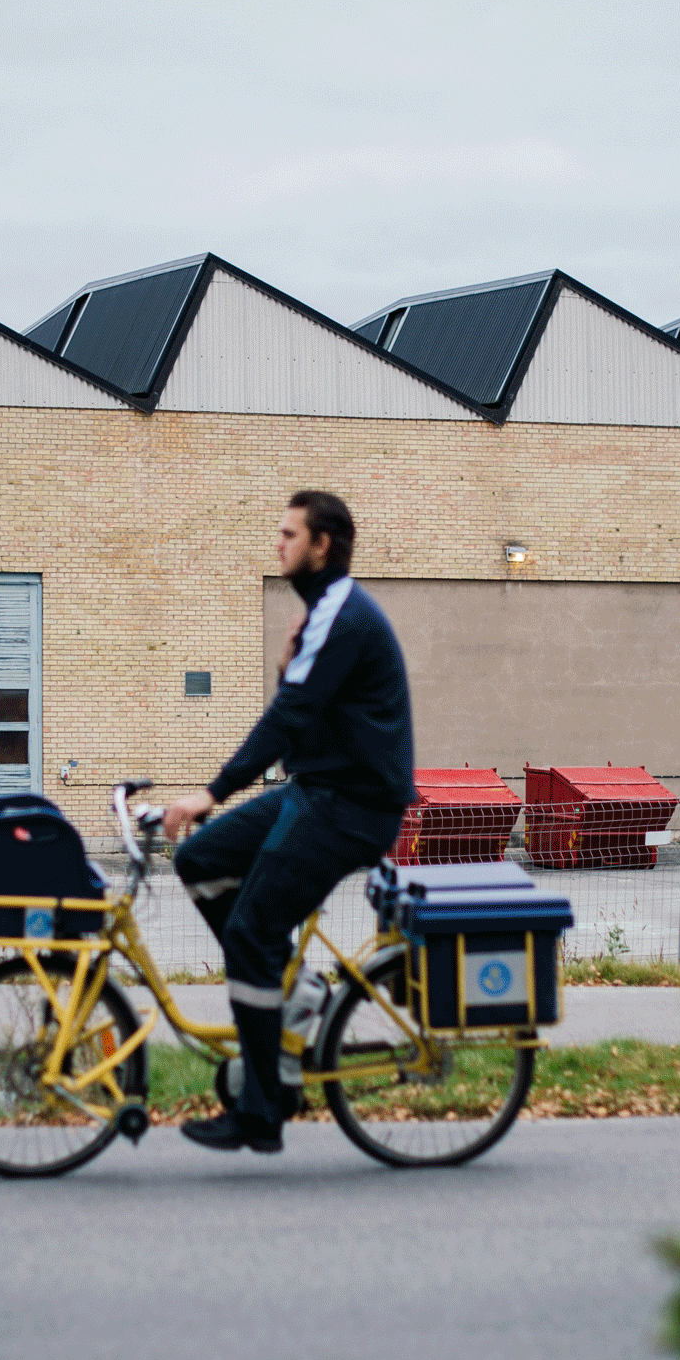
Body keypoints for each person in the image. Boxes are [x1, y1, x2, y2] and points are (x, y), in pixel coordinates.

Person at [161, 490, 414, 1155]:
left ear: (321, 544)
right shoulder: (326, 615)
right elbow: (308, 709)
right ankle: (290, 987)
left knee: (250, 927)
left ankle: (263, 1106)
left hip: (352, 805)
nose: (279, 544)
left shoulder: (343, 615)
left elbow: (288, 720)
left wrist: (209, 792)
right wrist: (283, 672)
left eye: (288, 534)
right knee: (199, 860)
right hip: (319, 791)